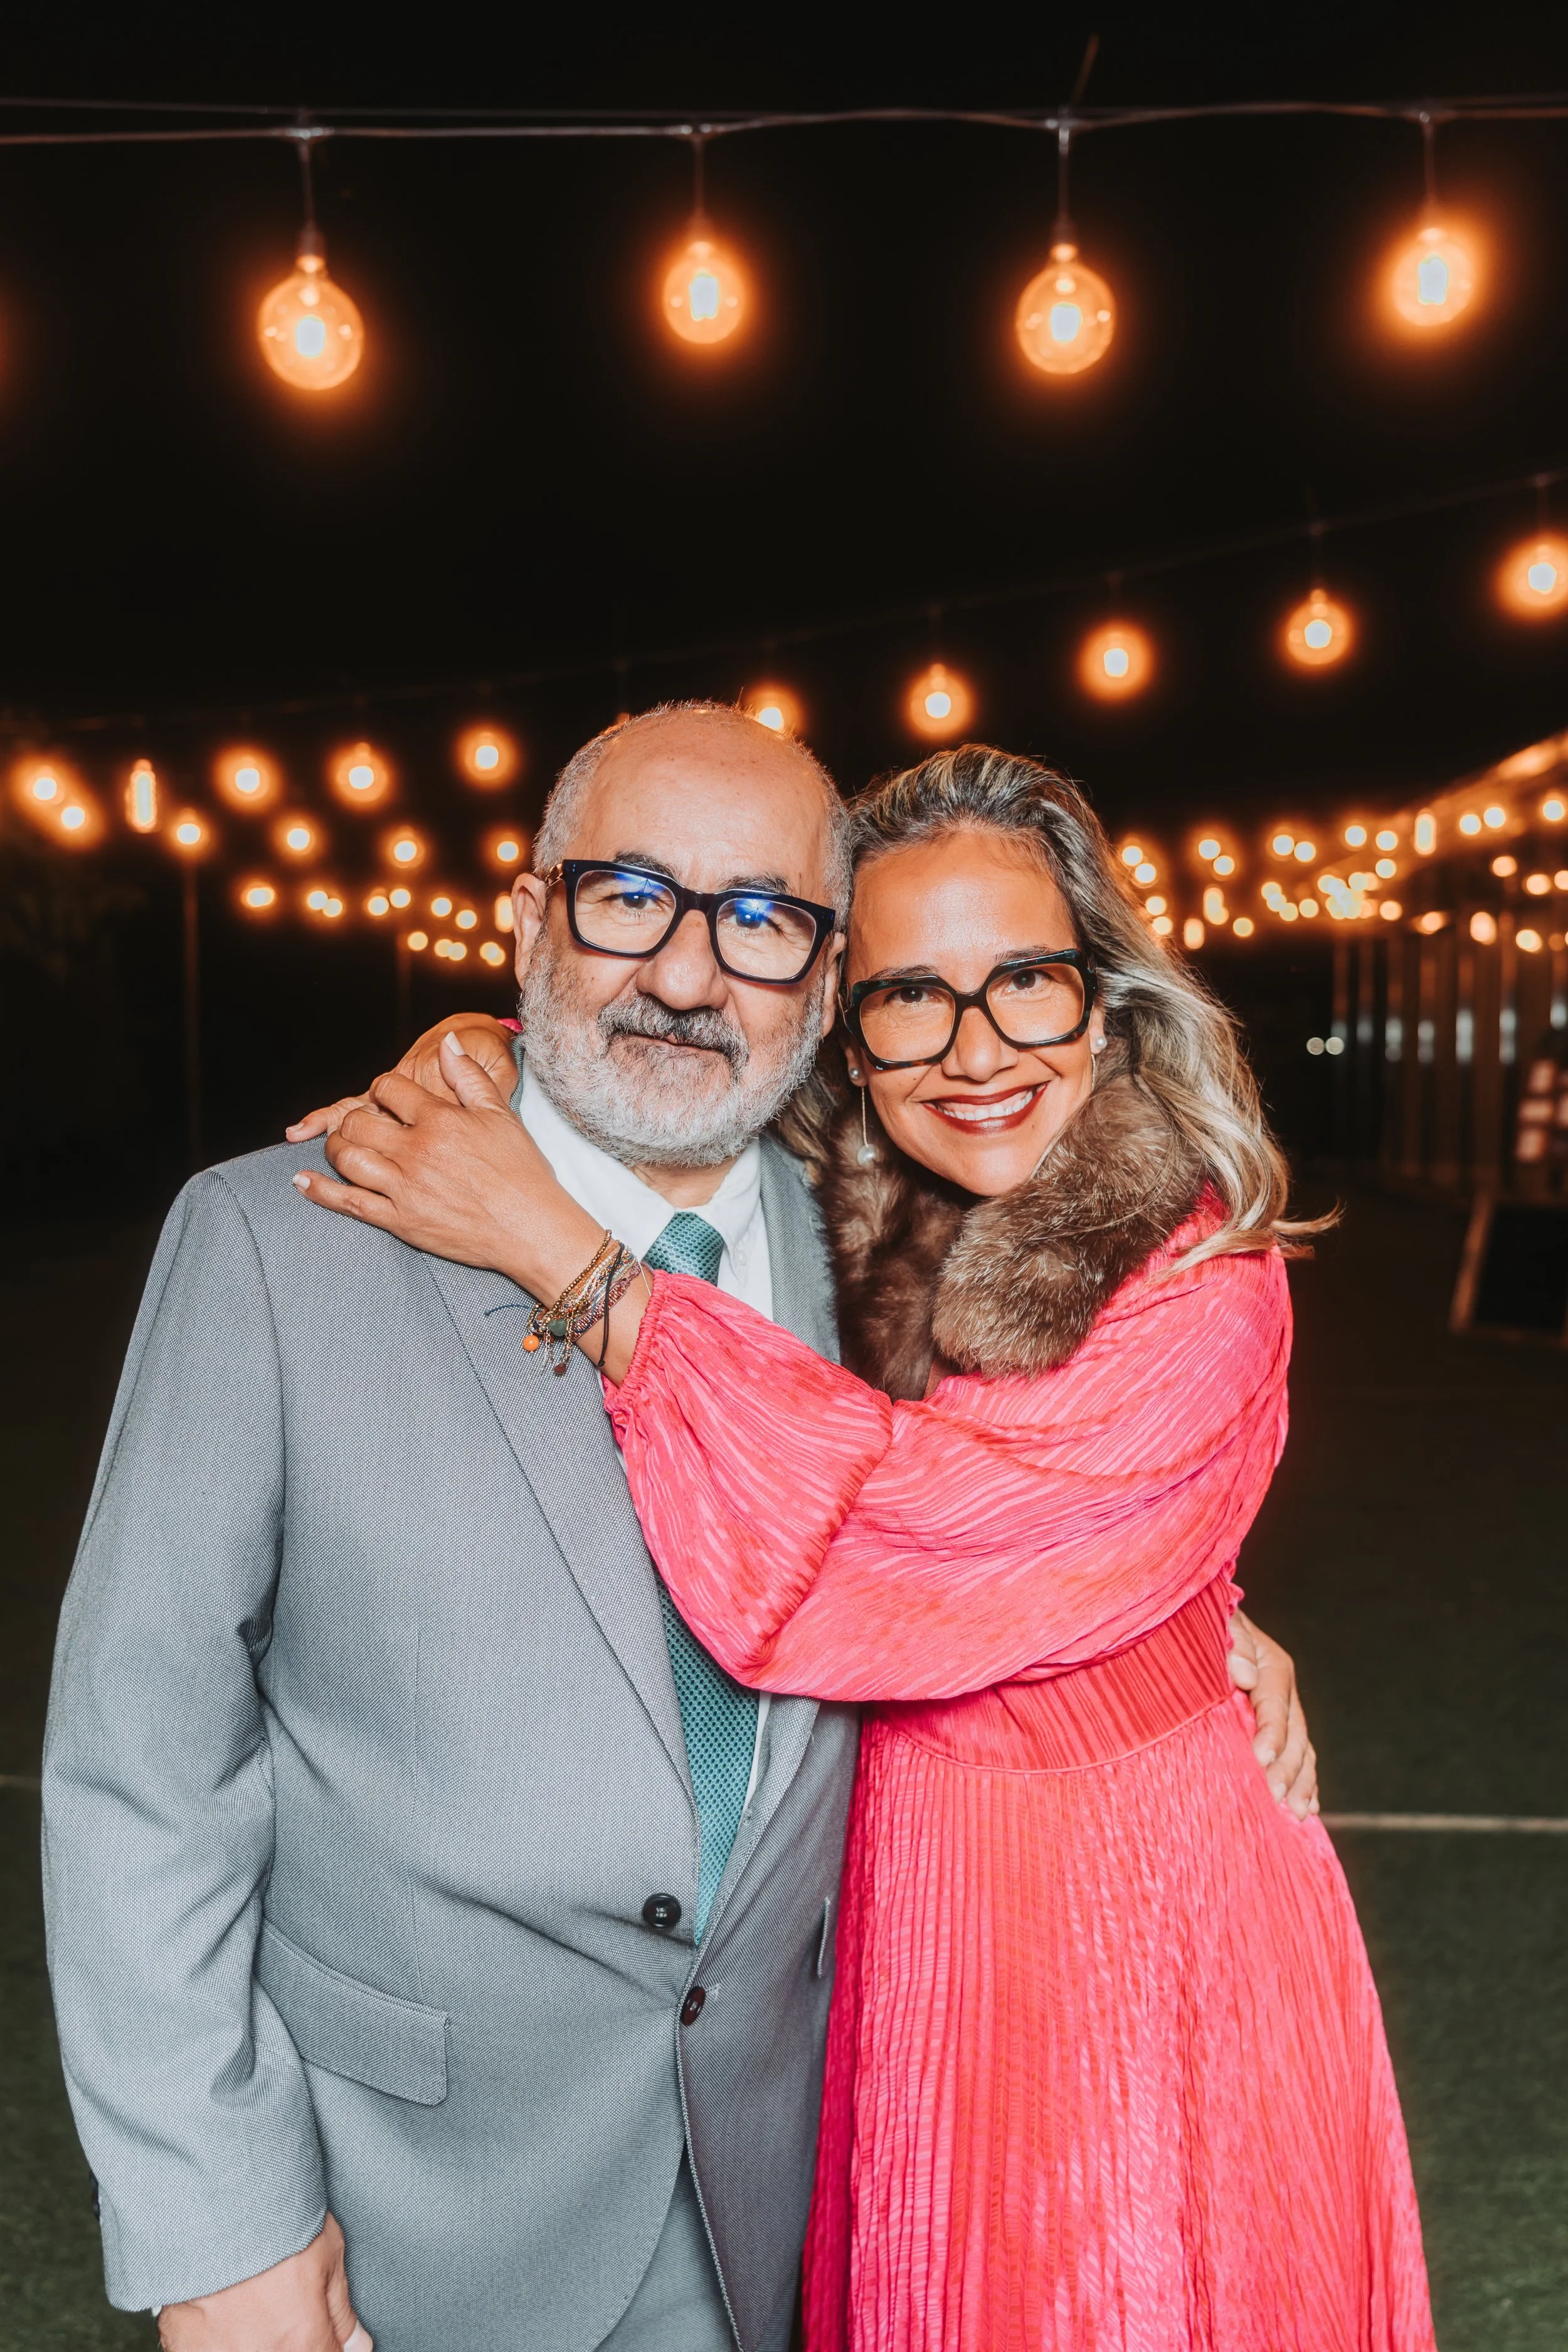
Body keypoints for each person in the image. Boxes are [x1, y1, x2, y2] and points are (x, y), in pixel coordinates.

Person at [42, 707, 1309, 2352]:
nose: (690, 973)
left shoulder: (889, 1252)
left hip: (795, 2193)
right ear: (526, 915)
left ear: (822, 976)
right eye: (628, 895)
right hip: (409, 2207)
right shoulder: (279, 1242)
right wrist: (218, 2229)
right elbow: (139, 1763)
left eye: (761, 920)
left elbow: (987, 1507)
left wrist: (1195, 1597)